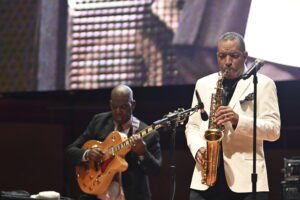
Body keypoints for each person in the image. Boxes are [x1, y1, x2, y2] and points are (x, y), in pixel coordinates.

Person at [185, 32, 281, 200]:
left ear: (245, 56)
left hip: (247, 181)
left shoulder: (264, 84)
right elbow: (192, 125)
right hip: (205, 177)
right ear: (217, 56)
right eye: (222, 56)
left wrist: (238, 120)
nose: (228, 62)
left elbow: (273, 130)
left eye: (234, 56)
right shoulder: (203, 84)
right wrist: (198, 148)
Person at [65, 84, 162, 200]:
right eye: (114, 107)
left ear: (133, 105)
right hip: (97, 194)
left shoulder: (148, 134)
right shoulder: (99, 122)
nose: (118, 111)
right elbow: (70, 151)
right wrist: (87, 154)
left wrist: (143, 153)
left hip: (131, 195)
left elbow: (155, 170)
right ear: (110, 104)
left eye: (123, 107)